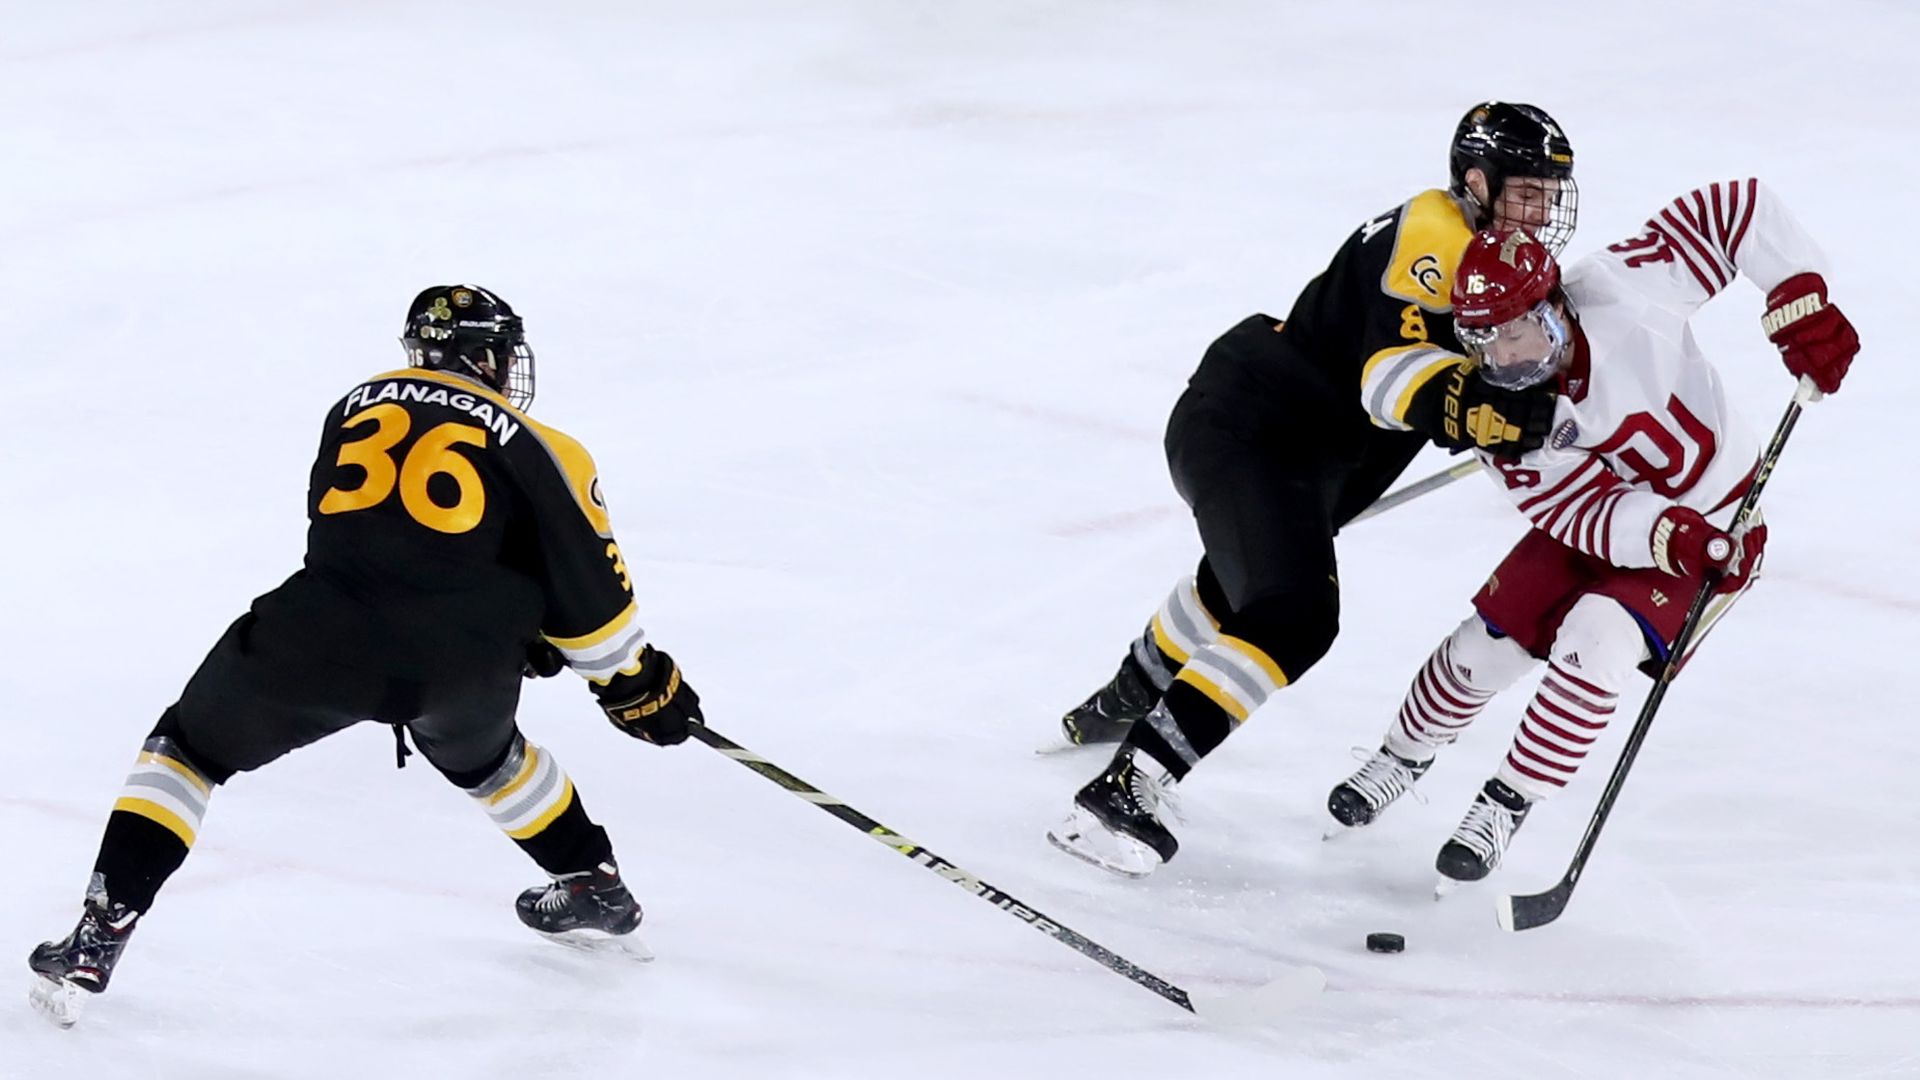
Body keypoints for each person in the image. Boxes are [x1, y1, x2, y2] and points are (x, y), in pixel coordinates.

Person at [27, 285, 705, 1026]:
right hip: (463, 662)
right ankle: (592, 881)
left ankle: (98, 933)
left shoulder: (353, 405)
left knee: (184, 750)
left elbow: (366, 533)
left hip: (323, 633)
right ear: (486, 356)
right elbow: (592, 601)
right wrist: (634, 686)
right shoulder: (544, 444)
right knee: (490, 758)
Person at [1046, 102, 1579, 877]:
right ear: (1475, 181)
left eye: (1550, 194)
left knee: (1242, 586)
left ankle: (1126, 697)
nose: (1542, 211)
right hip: (1252, 430)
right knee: (1294, 615)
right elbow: (1387, 379)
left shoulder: (1488, 252)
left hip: (1300, 448)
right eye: (1526, 192)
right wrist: (1472, 410)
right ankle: (1127, 789)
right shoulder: (1437, 237)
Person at [1325, 188, 1859, 888]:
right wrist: (1666, 532)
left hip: (1719, 520)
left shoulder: (1623, 285)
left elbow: (1737, 210)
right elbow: (1577, 510)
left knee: (1598, 640)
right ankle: (1402, 754)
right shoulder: (1503, 416)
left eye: (1521, 330)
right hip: (1623, 528)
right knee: (1482, 648)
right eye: (1487, 342)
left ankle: (1506, 801)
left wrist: (1800, 298)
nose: (1509, 356)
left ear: (1556, 302)